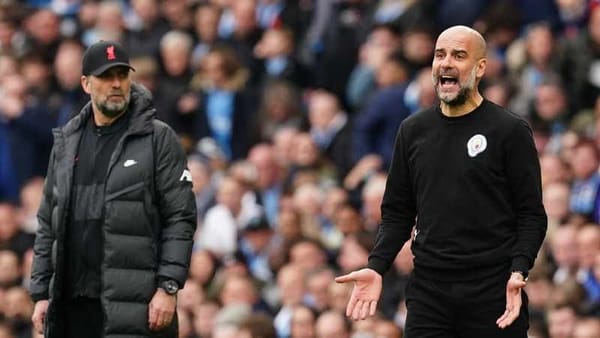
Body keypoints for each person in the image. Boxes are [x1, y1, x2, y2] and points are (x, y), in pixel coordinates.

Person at [335, 25, 547, 337]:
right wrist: (377, 265)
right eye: (440, 55)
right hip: (429, 292)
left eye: (459, 55)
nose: (446, 63)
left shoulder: (509, 130)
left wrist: (519, 269)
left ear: (480, 68)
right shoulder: (412, 130)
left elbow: (531, 214)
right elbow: (398, 212)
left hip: (494, 291)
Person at [28, 41, 197, 338]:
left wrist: (168, 286)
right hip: (71, 307)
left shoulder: (158, 138)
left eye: (122, 75)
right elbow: (47, 224)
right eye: (106, 76)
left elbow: (180, 218)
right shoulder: (67, 143)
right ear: (86, 83)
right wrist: (41, 292)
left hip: (134, 306)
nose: (116, 84)